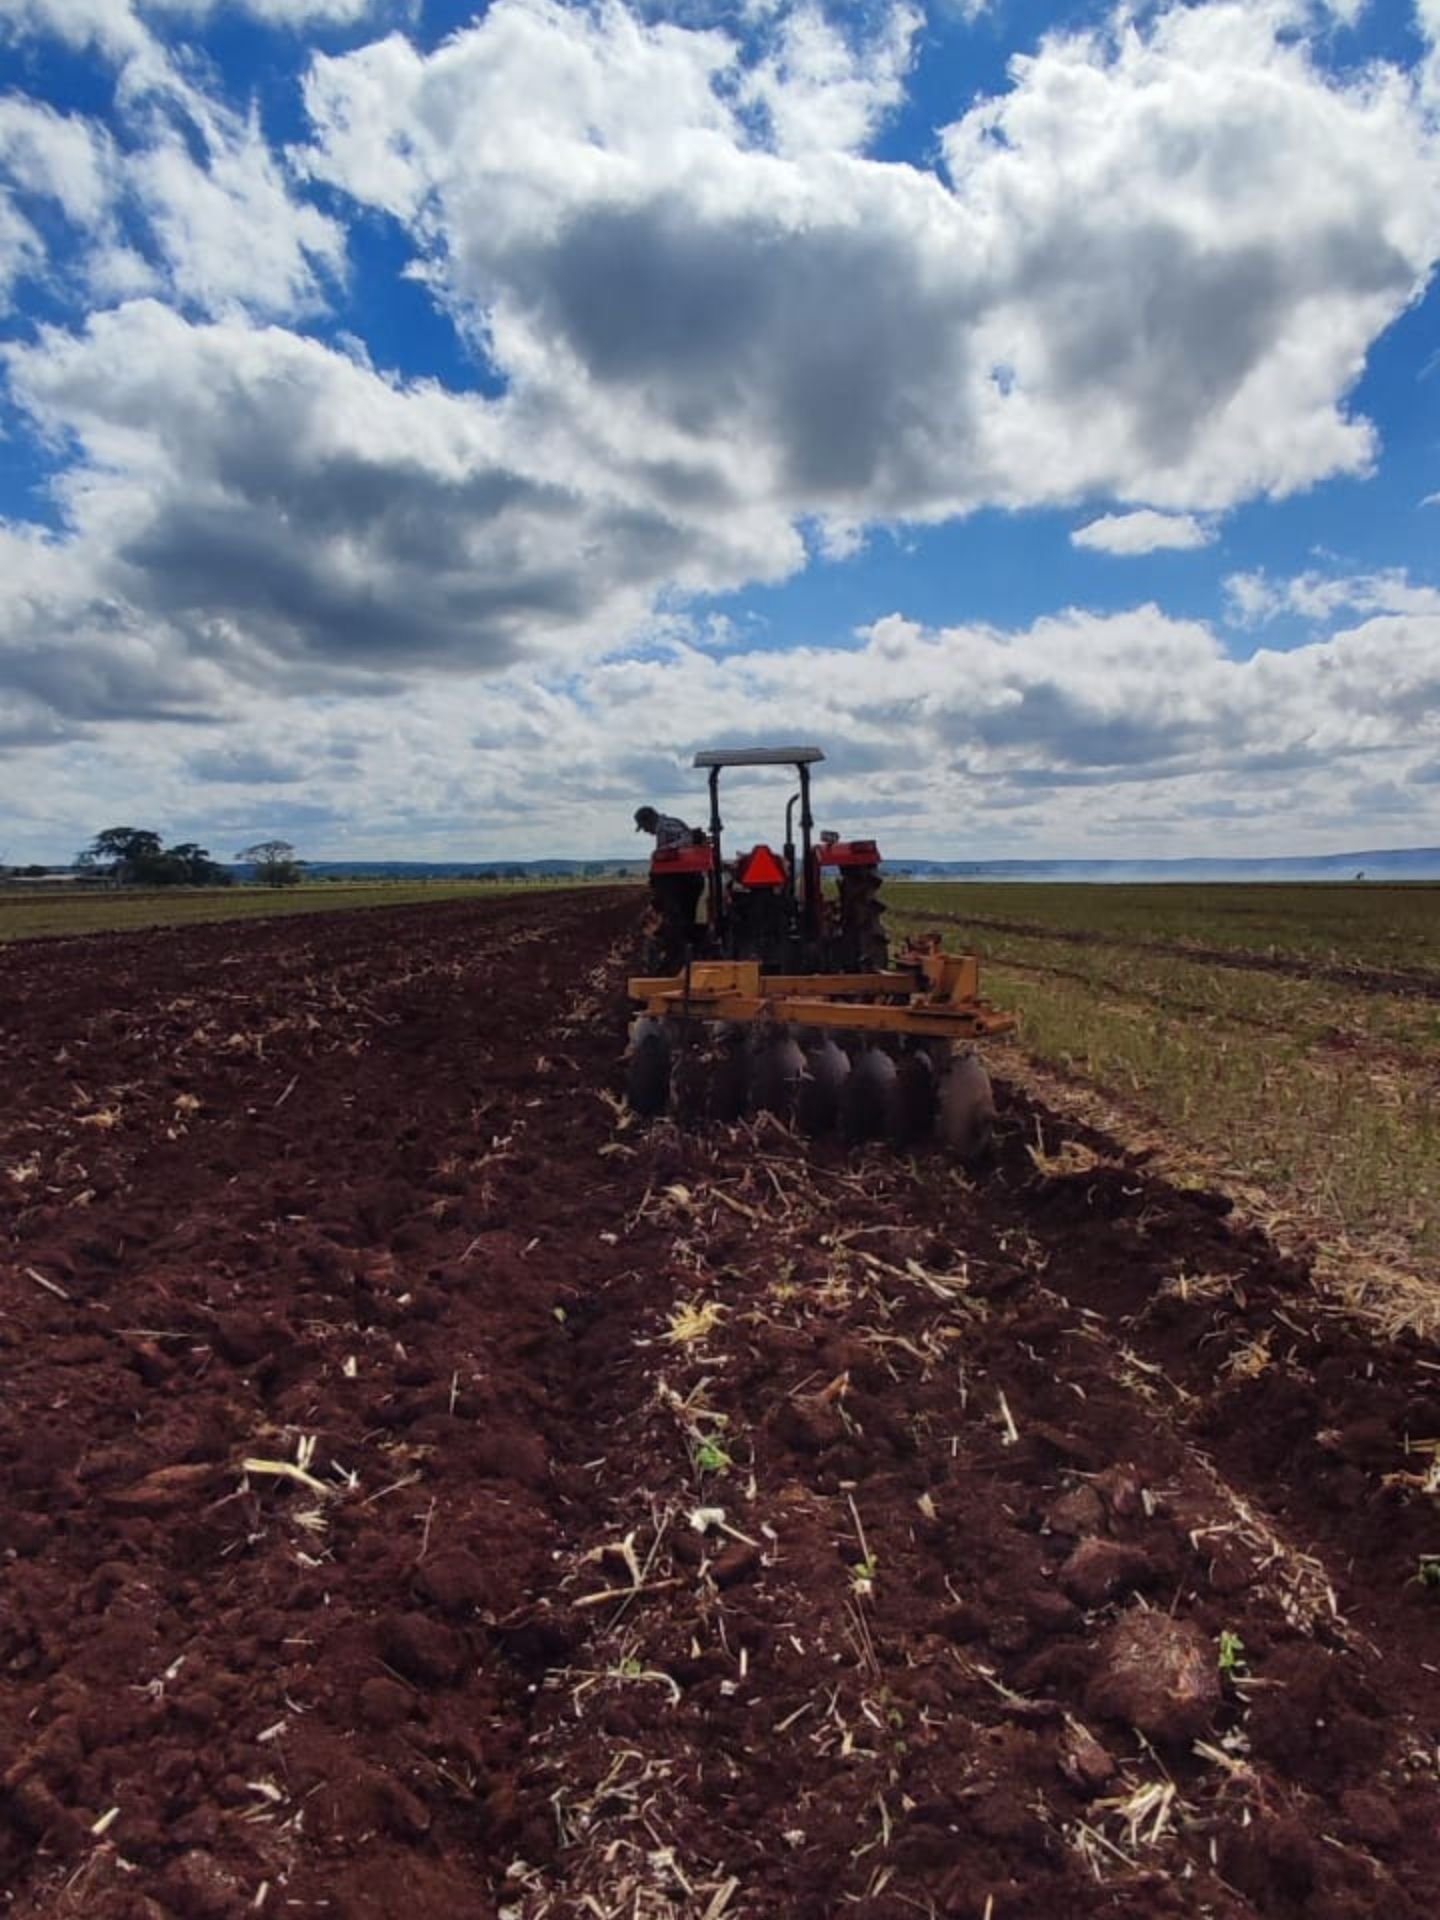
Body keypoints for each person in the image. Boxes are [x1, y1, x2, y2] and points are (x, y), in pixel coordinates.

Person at [635, 805, 705, 969]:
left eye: (644, 827)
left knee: (678, 917)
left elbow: (687, 838)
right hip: (683, 877)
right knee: (681, 916)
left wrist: (666, 850)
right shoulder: (667, 826)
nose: (646, 831)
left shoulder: (666, 826)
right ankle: (682, 945)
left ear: (649, 820)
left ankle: (678, 952)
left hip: (685, 878)